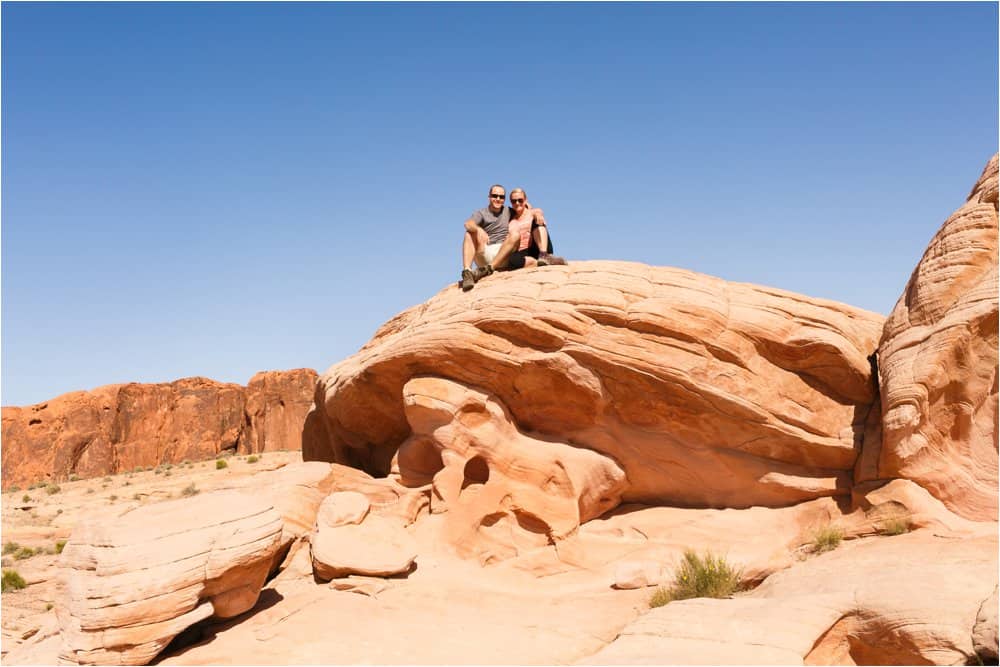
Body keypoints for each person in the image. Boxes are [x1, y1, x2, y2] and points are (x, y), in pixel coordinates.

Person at [459, 185, 523, 291]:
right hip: (485, 252)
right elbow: (468, 223)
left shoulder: (508, 211)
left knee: (515, 235)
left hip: (503, 254)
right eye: (495, 196)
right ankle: (467, 273)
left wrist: (537, 212)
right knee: (469, 233)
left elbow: (525, 209)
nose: (498, 199)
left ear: (504, 199)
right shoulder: (481, 213)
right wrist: (479, 229)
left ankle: (489, 269)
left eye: (501, 197)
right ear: (489, 197)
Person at [505, 188, 566, 270]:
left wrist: (538, 215)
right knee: (511, 261)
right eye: (514, 201)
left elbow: (539, 214)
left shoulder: (533, 212)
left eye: (520, 200)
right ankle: (537, 262)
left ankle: (544, 255)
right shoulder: (511, 221)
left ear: (525, 200)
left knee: (537, 221)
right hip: (523, 251)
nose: (517, 203)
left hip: (537, 246)